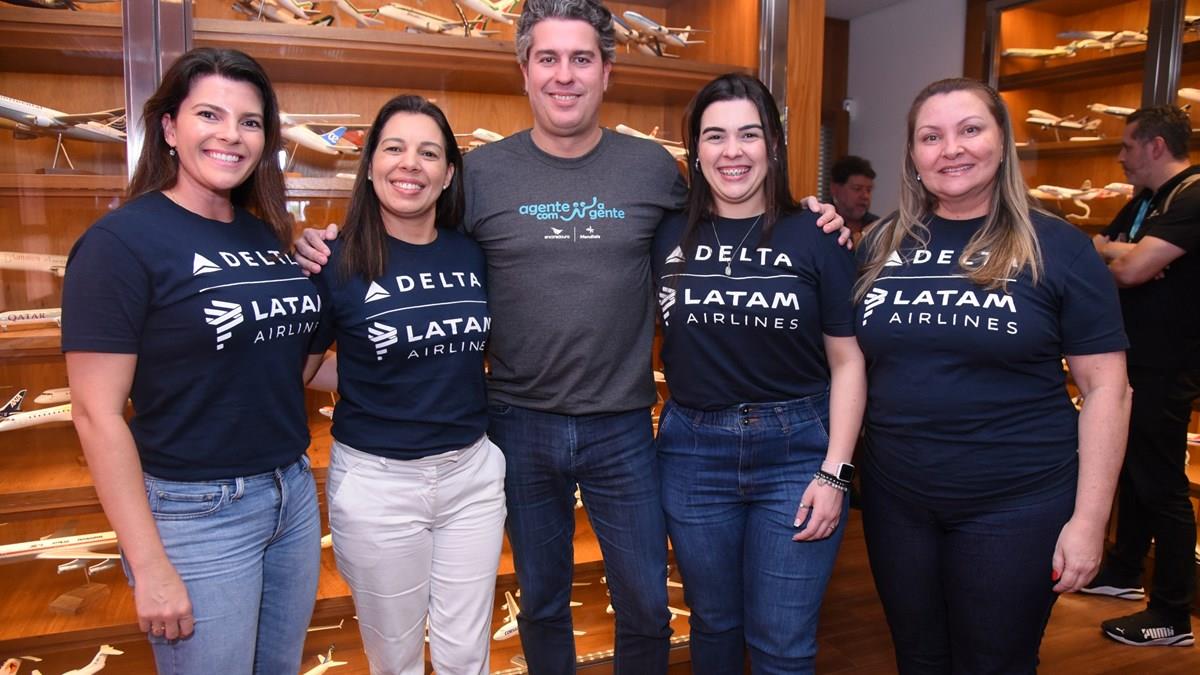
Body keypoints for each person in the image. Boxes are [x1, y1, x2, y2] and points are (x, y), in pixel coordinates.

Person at [293, 2, 844, 671]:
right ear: (524, 70)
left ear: (606, 71)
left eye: (581, 58)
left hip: (624, 425)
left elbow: (729, 210)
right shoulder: (480, 174)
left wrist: (808, 214)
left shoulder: (653, 170)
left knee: (646, 604)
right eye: (548, 58)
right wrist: (328, 243)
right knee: (543, 601)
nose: (564, 75)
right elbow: (414, 237)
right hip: (516, 423)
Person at [853, 77, 1131, 673]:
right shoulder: (878, 244)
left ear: (1002, 142)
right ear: (913, 154)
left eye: (970, 130)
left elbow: (1108, 389)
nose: (951, 149)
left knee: (995, 662)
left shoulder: (1059, 247)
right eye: (931, 137)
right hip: (896, 500)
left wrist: (1090, 521)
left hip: (1017, 503)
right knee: (918, 658)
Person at [62, 48, 325, 673]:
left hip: (290, 492)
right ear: (169, 128)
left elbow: (283, 365)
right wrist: (149, 563)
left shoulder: (263, 235)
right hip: (196, 513)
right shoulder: (119, 244)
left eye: (250, 121)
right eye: (209, 114)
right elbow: (95, 414)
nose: (231, 134)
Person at [653, 73, 866, 673]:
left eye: (749, 134)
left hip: (798, 454)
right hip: (692, 454)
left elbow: (849, 361)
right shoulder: (665, 234)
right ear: (695, 150)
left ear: (773, 144)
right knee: (714, 627)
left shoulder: (817, 234)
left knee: (782, 643)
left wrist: (837, 473)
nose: (733, 151)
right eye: (715, 136)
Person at [305, 94, 507, 673]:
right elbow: (303, 370)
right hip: (379, 486)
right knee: (395, 658)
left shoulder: (473, 254)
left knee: (467, 653)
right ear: (370, 164)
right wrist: (367, 378)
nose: (410, 164)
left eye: (429, 153)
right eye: (394, 148)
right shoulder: (334, 260)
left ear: (448, 175)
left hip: (471, 476)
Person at [1086, 105, 1199, 647]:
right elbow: (1098, 254)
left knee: (1162, 484)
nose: (1120, 156)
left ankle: (1172, 614)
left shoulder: (1193, 195)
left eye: (1128, 145)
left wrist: (1118, 253)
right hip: (1134, 359)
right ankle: (1124, 572)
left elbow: (1128, 269)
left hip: (1167, 363)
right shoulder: (1147, 201)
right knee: (1132, 471)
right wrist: (1121, 252)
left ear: (1156, 146)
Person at [829, 155, 879, 242]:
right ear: (835, 189)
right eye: (857, 188)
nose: (865, 196)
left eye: (869, 190)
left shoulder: (878, 226)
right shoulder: (823, 223)